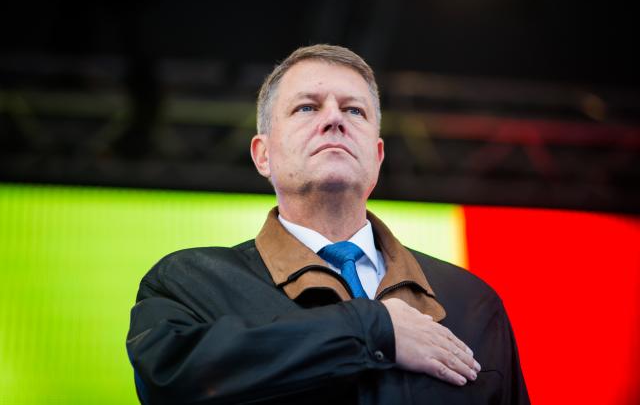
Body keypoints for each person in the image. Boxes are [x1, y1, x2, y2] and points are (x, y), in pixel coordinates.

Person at [126, 44, 529, 404]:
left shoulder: (472, 304)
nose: (335, 119)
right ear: (263, 155)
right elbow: (170, 383)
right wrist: (373, 329)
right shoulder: (190, 284)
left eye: (354, 110)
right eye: (307, 107)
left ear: (377, 156)